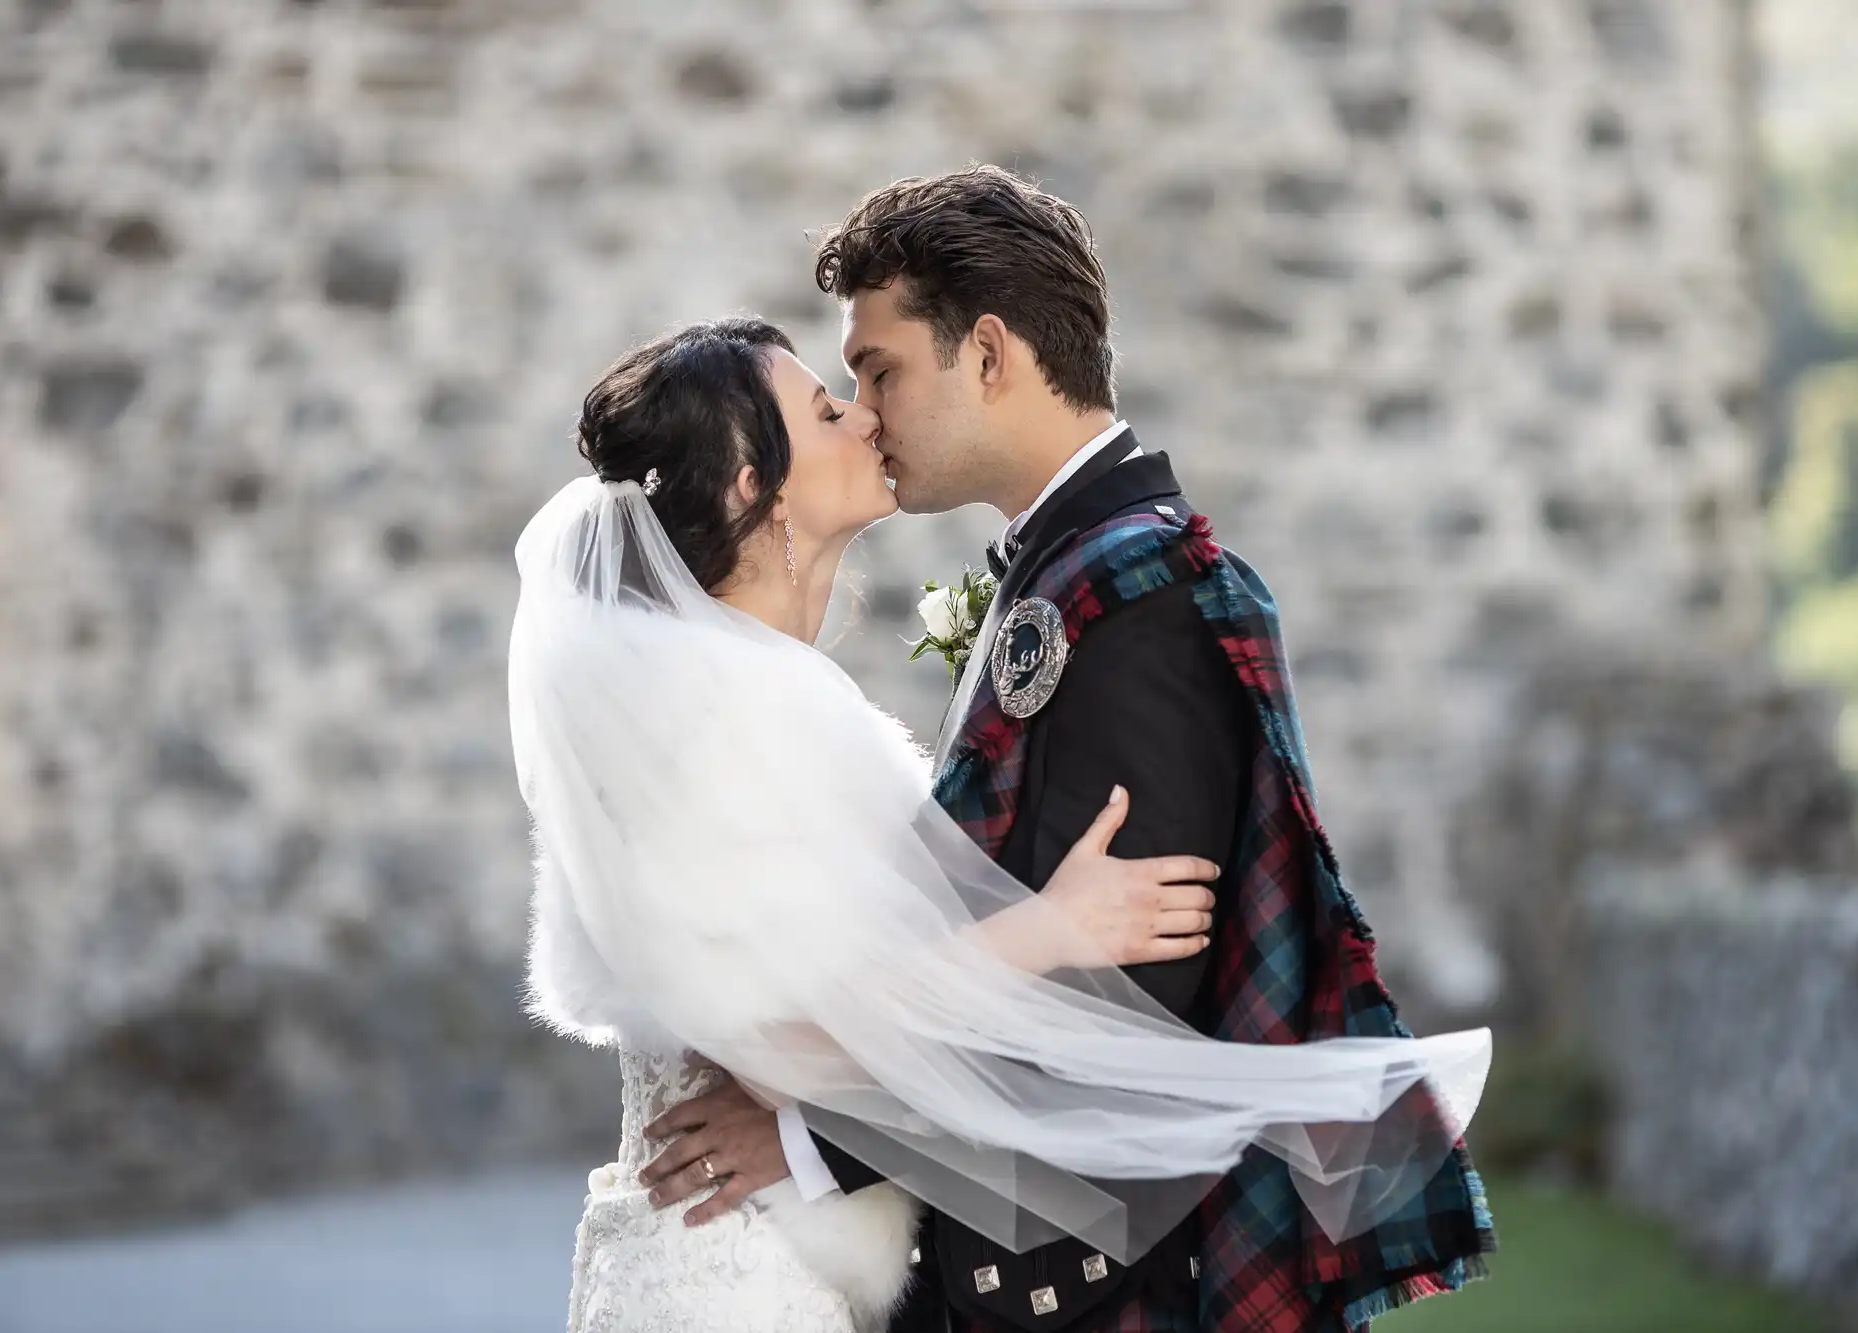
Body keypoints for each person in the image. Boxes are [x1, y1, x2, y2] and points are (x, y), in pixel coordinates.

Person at [514, 180, 1490, 1333]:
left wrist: (805, 1139)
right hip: (738, 1261)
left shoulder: (1138, 593)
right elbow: (792, 1018)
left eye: (873, 374)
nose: (866, 414)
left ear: (983, 354)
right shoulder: (739, 703)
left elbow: (1127, 1011)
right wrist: (1030, 943)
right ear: (751, 490)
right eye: (839, 399)